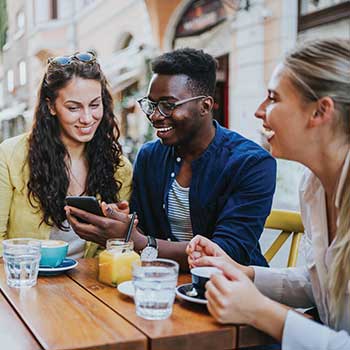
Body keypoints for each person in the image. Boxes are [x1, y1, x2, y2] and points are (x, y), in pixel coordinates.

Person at [186, 38, 350, 349]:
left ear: (320, 111)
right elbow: (323, 285)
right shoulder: (313, 185)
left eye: (273, 98)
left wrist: (261, 311)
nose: (260, 111)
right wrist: (244, 273)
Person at [66, 48, 276, 271]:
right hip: (160, 283)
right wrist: (121, 221)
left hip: (231, 290)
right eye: (151, 105)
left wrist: (139, 242)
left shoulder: (251, 163)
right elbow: (142, 228)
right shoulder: (150, 156)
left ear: (205, 106)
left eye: (168, 105)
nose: (155, 116)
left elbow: (229, 252)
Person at [0, 52, 132, 258]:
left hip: (89, 285)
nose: (88, 118)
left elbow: (115, 251)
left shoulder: (119, 167)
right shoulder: (10, 155)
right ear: (51, 106)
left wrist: (117, 228)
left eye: (95, 105)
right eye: (73, 107)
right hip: (27, 280)